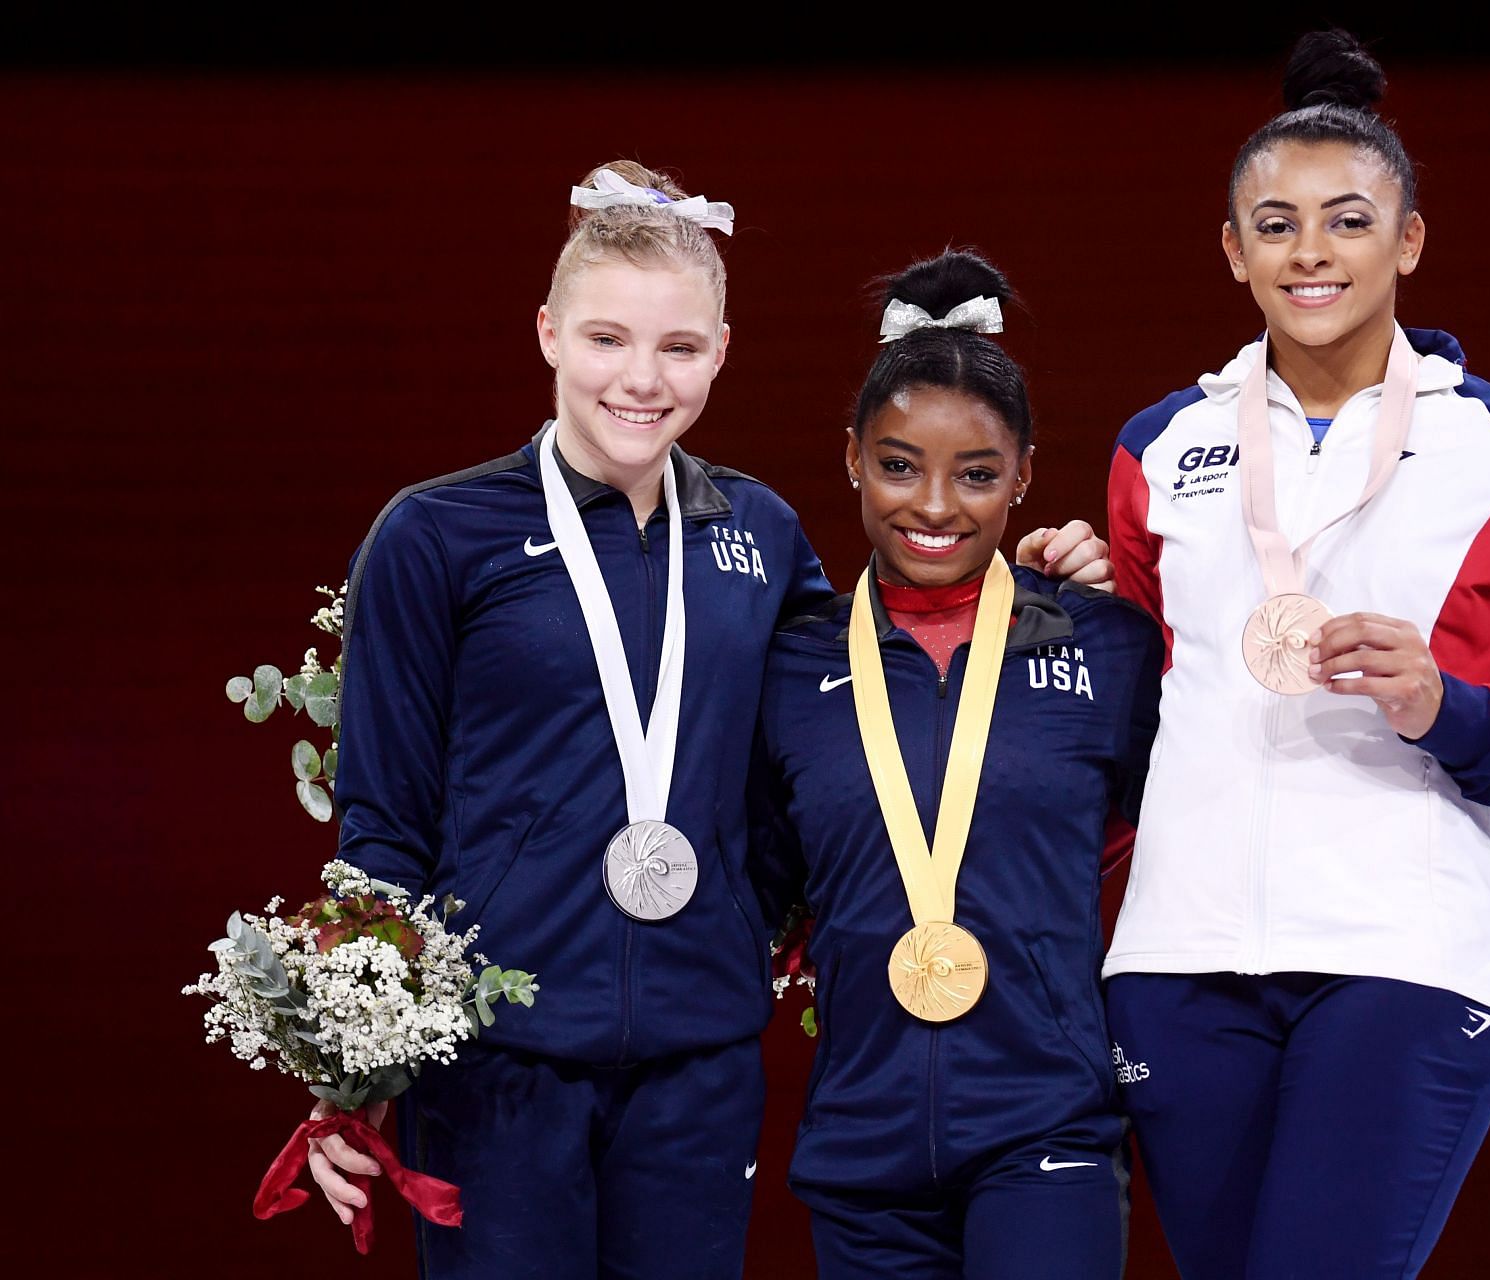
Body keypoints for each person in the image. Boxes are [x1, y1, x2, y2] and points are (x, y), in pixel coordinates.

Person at [311, 164, 1109, 1278]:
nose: (640, 379)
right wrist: (356, 1062)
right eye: (606, 340)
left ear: (721, 351)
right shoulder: (438, 536)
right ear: (546, 333)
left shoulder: (765, 535)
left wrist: (1042, 588)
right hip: (496, 1062)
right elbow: (383, 816)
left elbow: (849, 727)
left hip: (701, 1056)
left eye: (678, 348)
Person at [1100, 32, 1490, 1279]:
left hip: (1400, 959)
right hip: (1176, 964)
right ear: (1232, 249)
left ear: (1407, 241)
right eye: (1278, 224)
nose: (1313, 253)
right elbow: (1148, 708)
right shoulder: (1156, 447)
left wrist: (1447, 706)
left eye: (1348, 221)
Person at [750, 251, 1162, 1280]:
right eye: (899, 464)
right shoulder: (786, 657)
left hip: (1046, 1126)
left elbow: (1196, 827)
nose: (935, 504)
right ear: (850, 457)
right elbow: (751, 882)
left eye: (977, 474)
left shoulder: (1108, 644)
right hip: (861, 1143)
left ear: (1023, 474)